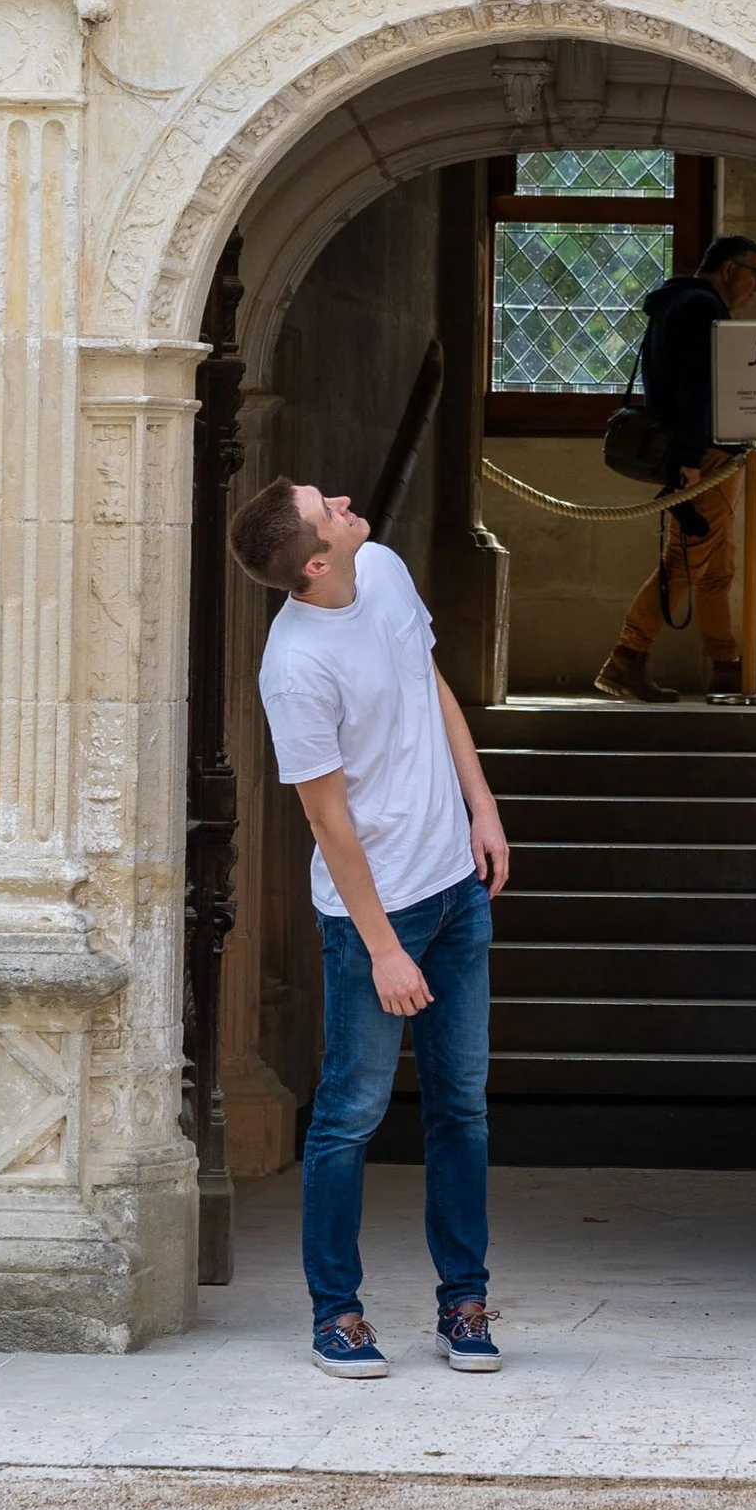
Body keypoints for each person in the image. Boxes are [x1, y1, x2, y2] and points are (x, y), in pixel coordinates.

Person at [233, 477, 511, 1382]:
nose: (346, 501)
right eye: (328, 507)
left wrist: (482, 806)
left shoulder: (382, 567)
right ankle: (337, 1314)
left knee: (461, 1105)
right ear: (315, 562)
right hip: (373, 917)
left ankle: (463, 1304)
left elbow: (429, 686)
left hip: (455, 887)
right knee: (349, 1115)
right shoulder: (295, 667)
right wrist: (384, 944)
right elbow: (326, 820)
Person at [595, 231, 756, 704]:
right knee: (686, 562)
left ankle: (726, 665)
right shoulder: (700, 308)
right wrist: (693, 459)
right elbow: (697, 389)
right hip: (705, 455)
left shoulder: (676, 302)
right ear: (730, 270)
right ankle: (625, 658)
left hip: (706, 451)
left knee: (719, 565)